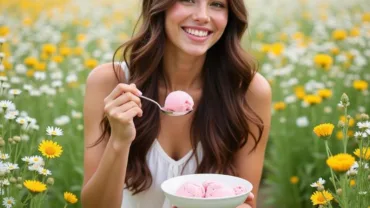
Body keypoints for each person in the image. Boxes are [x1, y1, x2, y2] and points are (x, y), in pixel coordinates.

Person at [81, 0, 271, 207]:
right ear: (159, 6)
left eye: (217, 4)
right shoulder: (110, 82)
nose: (203, 16)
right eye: (188, 0)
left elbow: (245, 201)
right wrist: (119, 141)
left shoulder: (249, 91)